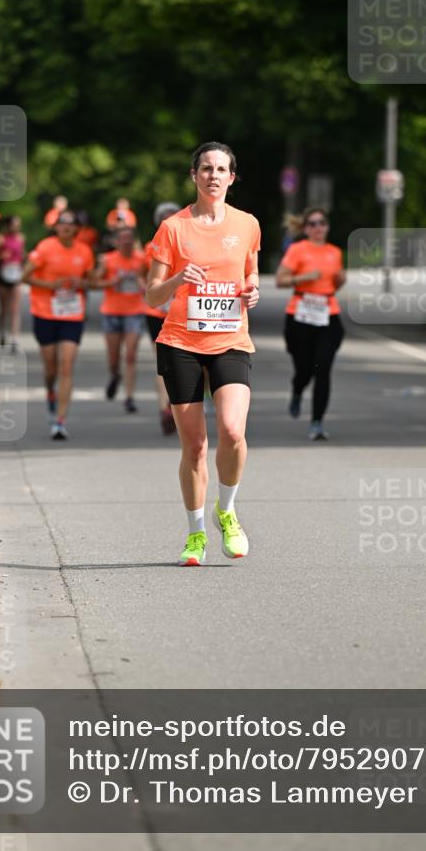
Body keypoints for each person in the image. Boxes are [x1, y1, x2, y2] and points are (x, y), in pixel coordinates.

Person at [146, 142, 260, 567]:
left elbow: (250, 269)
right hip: (180, 344)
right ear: (193, 175)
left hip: (230, 340)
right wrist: (177, 278)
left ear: (232, 178)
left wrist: (252, 289)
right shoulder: (173, 228)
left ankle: (225, 511)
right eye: (206, 168)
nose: (214, 175)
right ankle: (196, 535)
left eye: (222, 169)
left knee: (232, 430)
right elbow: (151, 294)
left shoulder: (247, 224)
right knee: (194, 446)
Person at [21, 210, 95, 440]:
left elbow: (91, 279)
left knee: (66, 366)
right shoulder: (45, 247)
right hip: (45, 312)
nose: (65, 228)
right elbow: (25, 276)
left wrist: (79, 282)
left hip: (72, 315)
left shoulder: (84, 251)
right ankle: (50, 393)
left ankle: (60, 420)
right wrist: (50, 284)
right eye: (61, 224)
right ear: (55, 228)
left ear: (76, 229)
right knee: (51, 368)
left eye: (70, 224)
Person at [274, 206, 346, 441]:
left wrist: (340, 280)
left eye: (322, 223)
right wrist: (303, 278)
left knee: (322, 369)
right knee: (304, 369)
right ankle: (297, 390)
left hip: (327, 315)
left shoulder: (334, 252)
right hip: (300, 315)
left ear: (327, 226)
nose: (318, 227)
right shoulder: (297, 250)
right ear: (305, 228)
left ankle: (317, 422)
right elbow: (280, 280)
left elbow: (334, 285)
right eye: (313, 224)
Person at [93, 226, 148, 413]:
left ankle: (129, 397)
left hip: (135, 311)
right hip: (111, 312)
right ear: (116, 242)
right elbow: (94, 282)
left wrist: (143, 283)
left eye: (129, 239)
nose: (126, 242)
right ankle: (115, 376)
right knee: (114, 358)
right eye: (122, 239)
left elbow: (153, 281)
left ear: (134, 241)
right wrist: (110, 283)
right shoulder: (108, 260)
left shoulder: (142, 260)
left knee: (131, 355)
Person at [144, 202, 181, 435]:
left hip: (186, 310)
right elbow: (144, 277)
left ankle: (204, 395)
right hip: (157, 312)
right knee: (163, 362)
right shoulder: (151, 247)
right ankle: (165, 408)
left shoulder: (193, 242)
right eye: (163, 219)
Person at [0, 215, 26, 351]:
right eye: (14, 224)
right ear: (8, 225)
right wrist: (1, 255)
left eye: (18, 224)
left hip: (16, 273)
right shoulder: (0, 239)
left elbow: (21, 254)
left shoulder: (21, 238)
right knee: (4, 308)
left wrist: (24, 261)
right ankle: (2, 332)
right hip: (2, 274)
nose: (16, 227)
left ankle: (15, 338)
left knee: (15, 308)